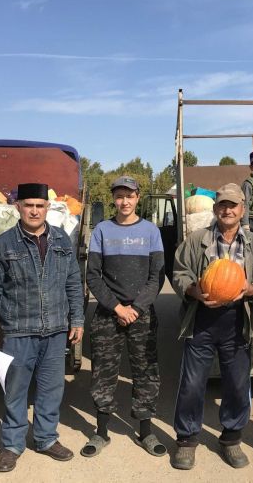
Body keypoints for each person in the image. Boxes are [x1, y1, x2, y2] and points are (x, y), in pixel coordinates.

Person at [0, 182, 85, 473]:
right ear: (18, 207)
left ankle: (46, 439)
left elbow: (74, 283)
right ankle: (12, 445)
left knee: (51, 390)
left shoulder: (62, 240)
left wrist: (77, 320)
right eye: (29, 205)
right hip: (18, 332)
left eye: (40, 205)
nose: (34, 211)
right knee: (15, 391)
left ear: (47, 208)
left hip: (55, 331)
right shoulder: (3, 244)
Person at [171, 183, 253, 470]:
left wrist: (251, 289)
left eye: (233, 205)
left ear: (242, 209)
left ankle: (231, 439)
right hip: (201, 318)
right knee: (192, 384)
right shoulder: (197, 240)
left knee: (237, 384)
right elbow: (179, 271)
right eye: (222, 205)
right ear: (216, 209)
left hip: (237, 320)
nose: (227, 210)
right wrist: (193, 291)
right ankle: (187, 440)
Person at [82, 175, 166, 458]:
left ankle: (145, 431)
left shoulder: (151, 231)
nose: (124, 201)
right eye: (119, 196)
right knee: (103, 372)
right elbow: (93, 275)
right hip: (108, 314)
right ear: (114, 199)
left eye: (129, 196)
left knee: (146, 371)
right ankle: (101, 431)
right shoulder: (102, 231)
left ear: (138, 198)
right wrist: (117, 308)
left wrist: (137, 309)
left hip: (141, 314)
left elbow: (157, 277)